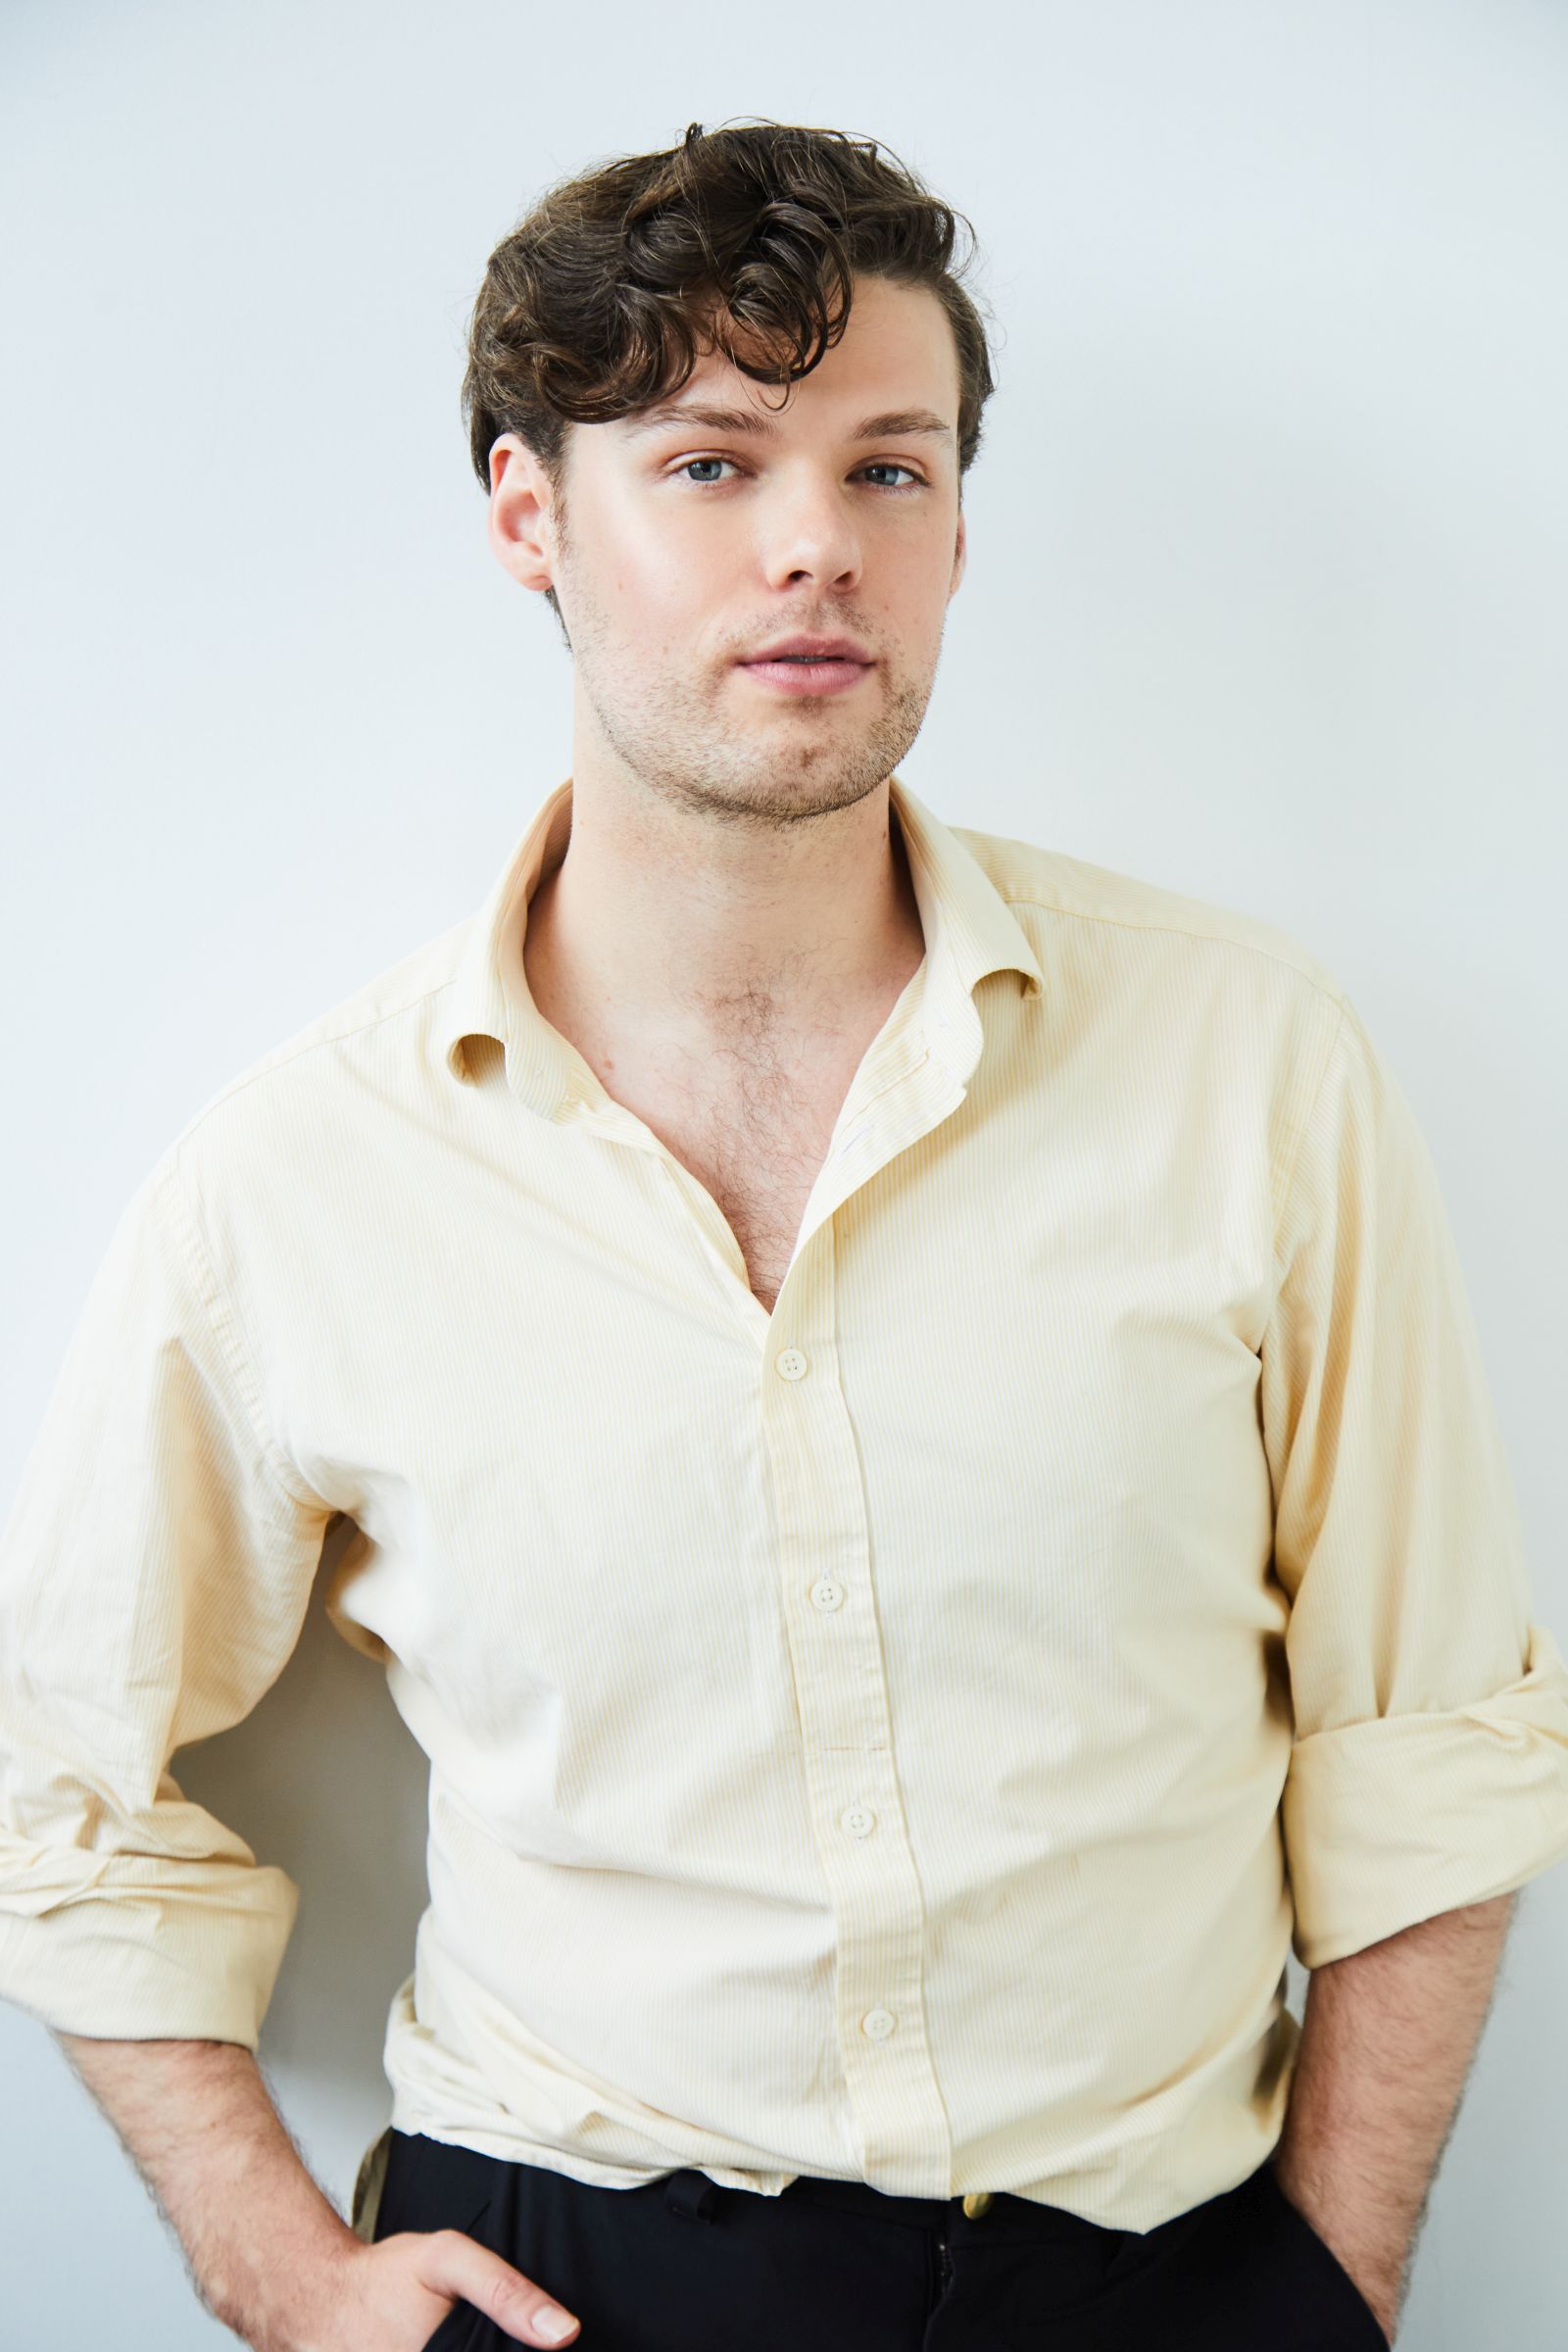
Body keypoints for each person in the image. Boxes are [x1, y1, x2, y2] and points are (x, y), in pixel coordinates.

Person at [1, 116, 1565, 2352]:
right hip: (575, 2280)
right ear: (530, 513)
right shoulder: (302, 1177)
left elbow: (1424, 1731)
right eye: (712, 464)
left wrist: (1326, 2289)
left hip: (1159, 2274)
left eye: (889, 469)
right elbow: (50, 1777)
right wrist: (277, 2270)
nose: (816, 548)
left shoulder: (1248, 1066)